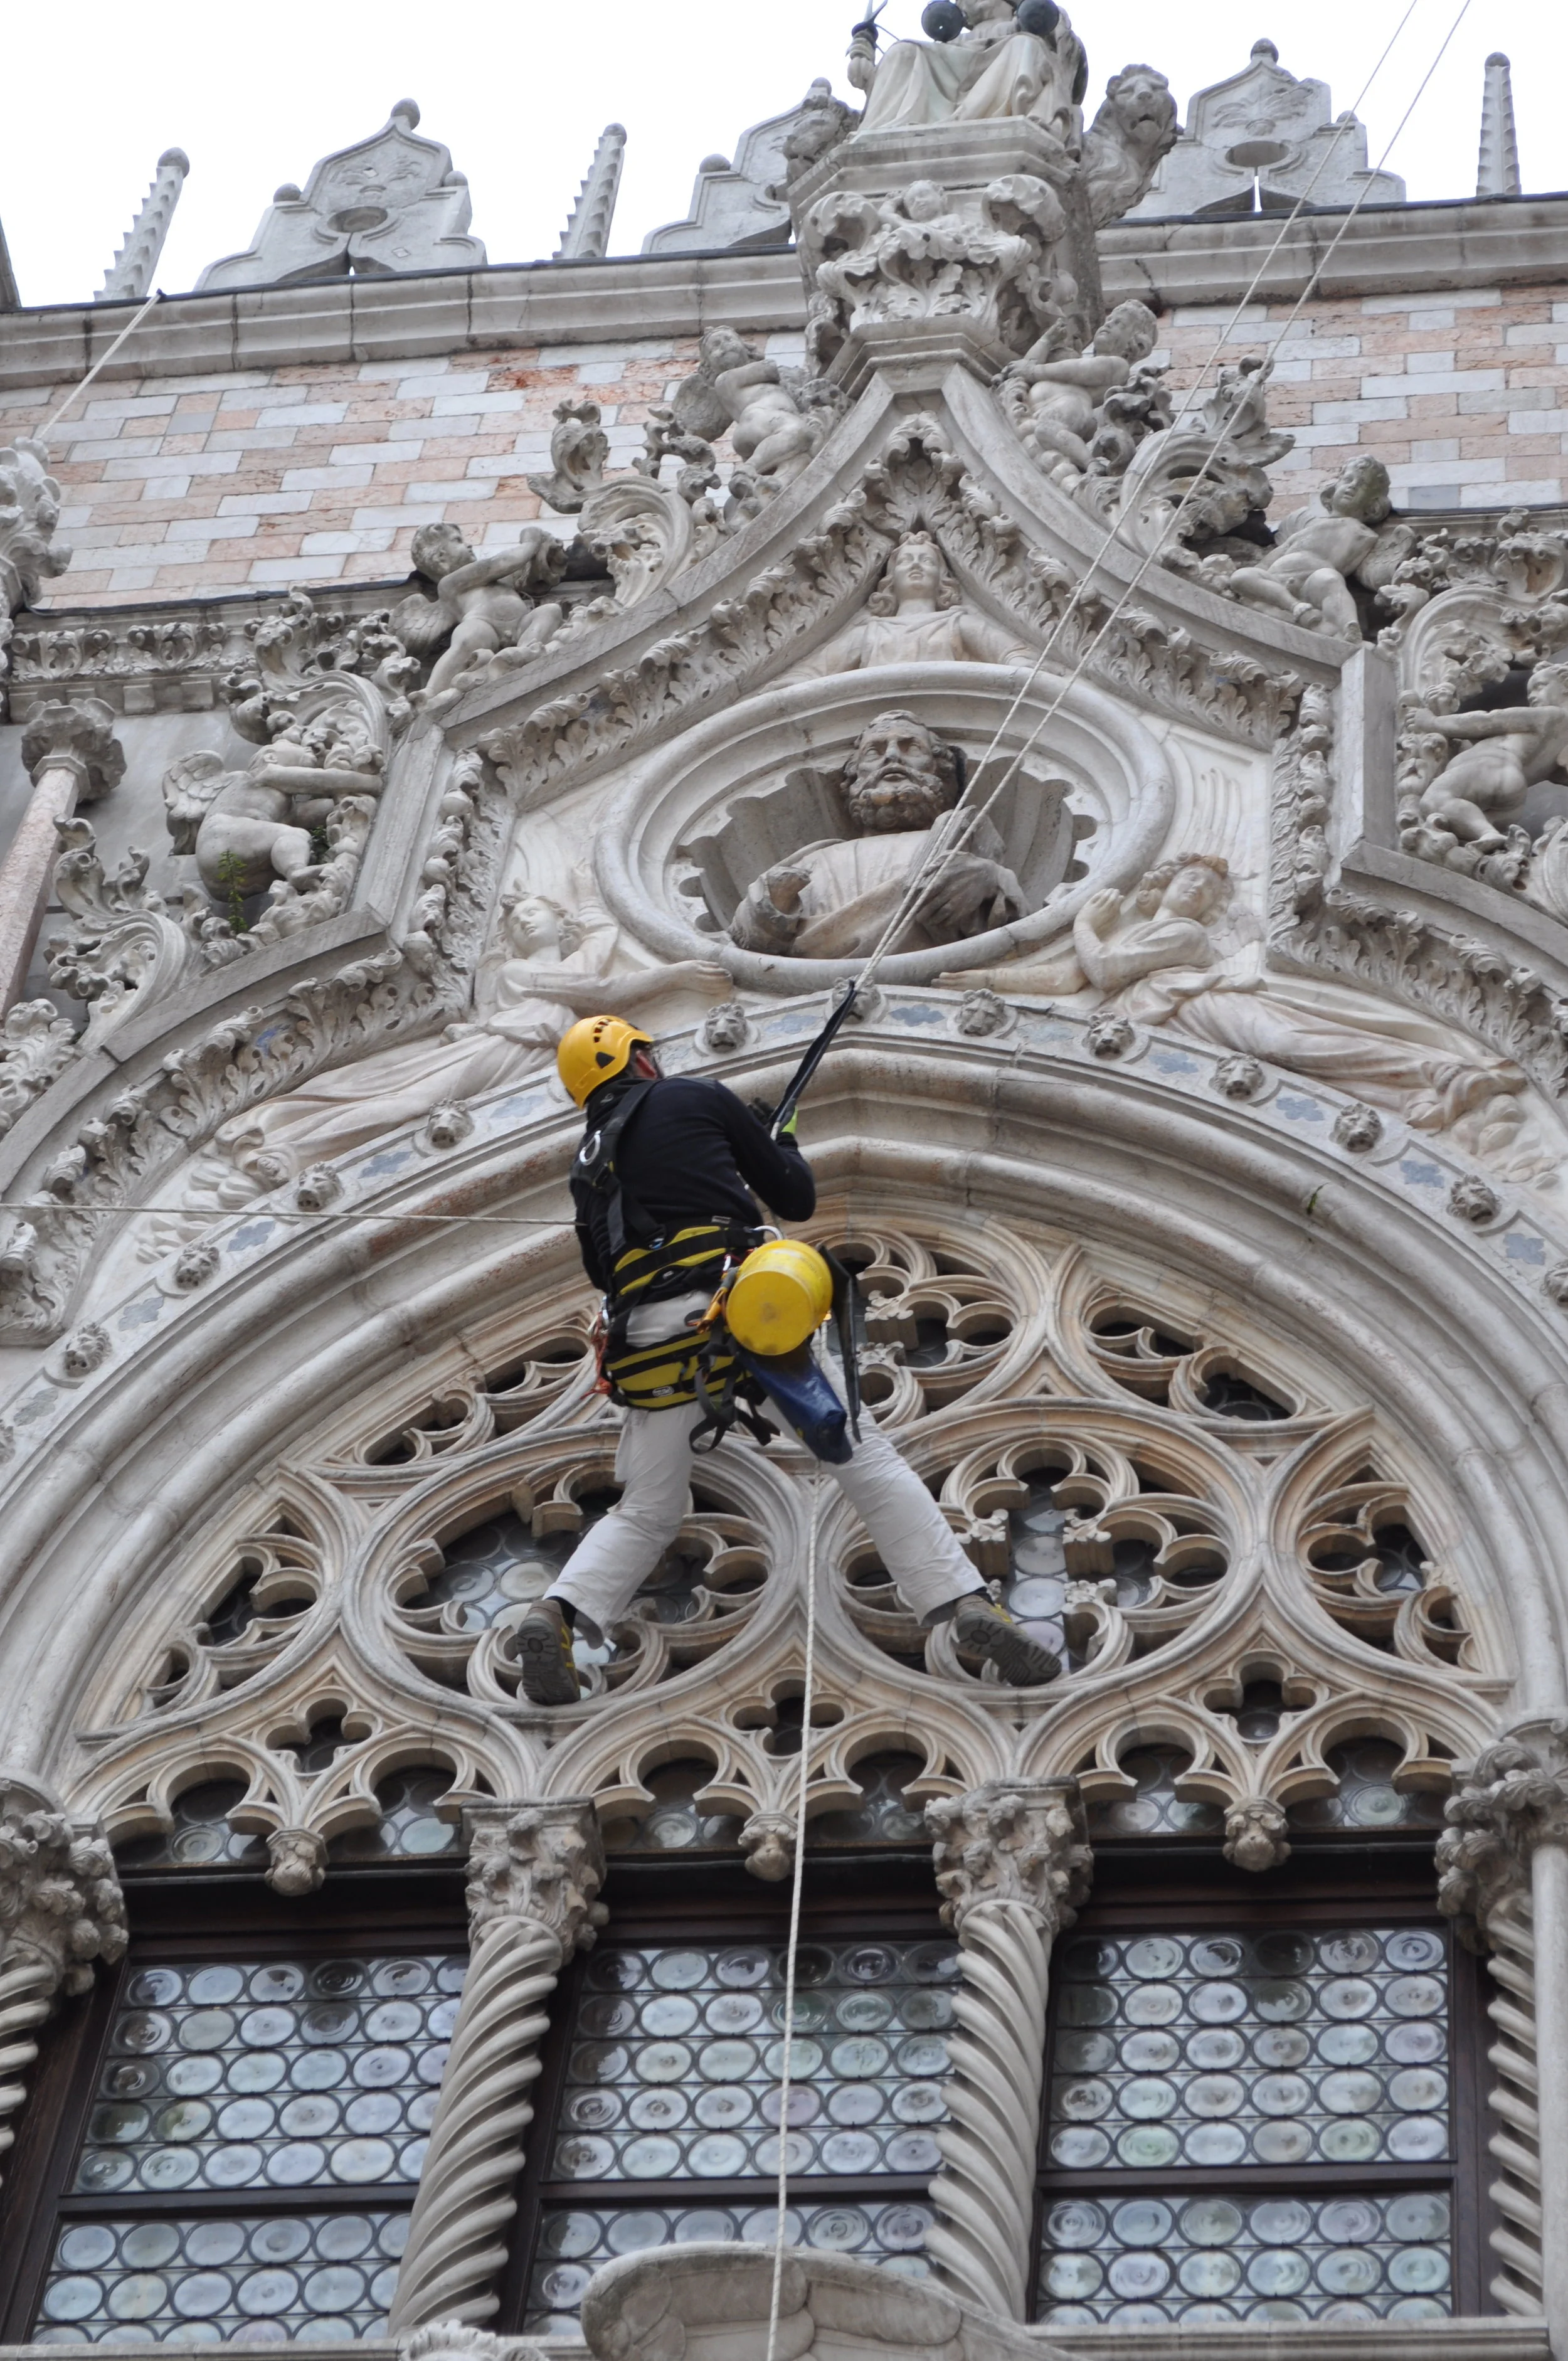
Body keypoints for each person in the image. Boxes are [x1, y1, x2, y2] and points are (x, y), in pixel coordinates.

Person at [512, 1014, 1060, 1703]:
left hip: (645, 1343)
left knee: (648, 1505)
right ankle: (965, 1603)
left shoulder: (585, 1164)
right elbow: (793, 1196)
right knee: (864, 1457)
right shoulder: (696, 1096)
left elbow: (601, 1266)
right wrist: (783, 1142)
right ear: (639, 1061)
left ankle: (555, 1613)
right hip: (737, 1310)